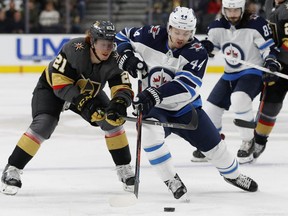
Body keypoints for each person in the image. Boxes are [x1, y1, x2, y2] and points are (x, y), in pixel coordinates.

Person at [115, 6, 258, 200]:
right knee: (149, 136)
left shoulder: (197, 51)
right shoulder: (151, 34)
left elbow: (187, 87)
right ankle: (171, 179)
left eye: (187, 33)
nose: (181, 37)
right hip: (154, 109)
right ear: (169, 27)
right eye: (177, 31)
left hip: (185, 108)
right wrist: (127, 57)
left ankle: (233, 176)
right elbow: (121, 36)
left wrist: (153, 93)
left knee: (217, 149)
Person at [1, 21, 135, 195]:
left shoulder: (117, 58)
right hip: (52, 89)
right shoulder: (75, 48)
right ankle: (13, 168)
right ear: (92, 42)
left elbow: (123, 87)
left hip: (87, 93)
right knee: (44, 124)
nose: (107, 49)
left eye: (110, 44)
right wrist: (86, 104)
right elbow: (60, 85)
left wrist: (119, 103)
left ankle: (124, 169)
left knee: (112, 121)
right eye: (103, 44)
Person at [191, 0, 281, 164]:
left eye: (236, 11)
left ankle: (248, 141)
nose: (232, 14)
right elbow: (214, 46)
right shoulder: (217, 25)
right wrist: (206, 47)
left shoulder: (257, 24)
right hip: (229, 75)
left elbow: (269, 49)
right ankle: (213, 146)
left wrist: (271, 61)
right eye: (229, 10)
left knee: (239, 100)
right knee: (211, 110)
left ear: (242, 9)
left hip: (252, 72)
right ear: (224, 9)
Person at [253, 0, 287, 160]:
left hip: (281, 62)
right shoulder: (268, 3)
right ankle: (258, 140)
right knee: (270, 104)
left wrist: (276, 61)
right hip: (275, 62)